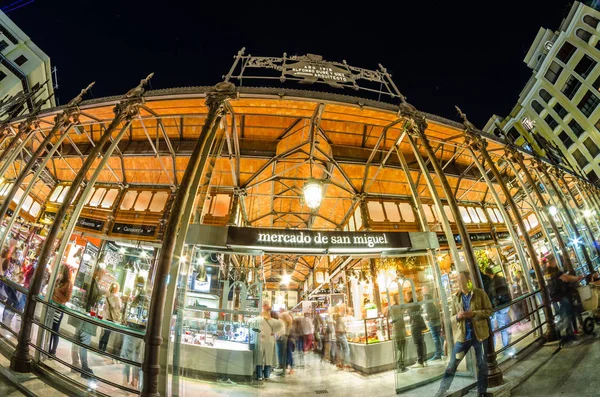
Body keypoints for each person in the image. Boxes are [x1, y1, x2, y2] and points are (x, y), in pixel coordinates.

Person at [435, 271, 492, 397]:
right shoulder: (456, 297)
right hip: (463, 337)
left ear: (468, 280)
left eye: (461, 279)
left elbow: (489, 311)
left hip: (480, 336)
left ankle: (482, 392)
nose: (459, 282)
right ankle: (442, 390)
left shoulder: (480, 293)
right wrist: (458, 316)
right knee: (452, 364)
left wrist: (474, 314)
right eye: (457, 280)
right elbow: (451, 318)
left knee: (482, 365)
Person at [546, 253, 583, 341]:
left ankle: (568, 332)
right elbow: (566, 278)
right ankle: (562, 330)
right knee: (566, 312)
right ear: (552, 261)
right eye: (554, 260)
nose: (556, 261)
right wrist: (577, 278)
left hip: (555, 295)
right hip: (560, 294)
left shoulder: (548, 271)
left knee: (566, 311)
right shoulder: (554, 271)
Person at [253, 301, 282, 381]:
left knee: (260, 357)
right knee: (268, 358)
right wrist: (274, 332)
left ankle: (260, 375)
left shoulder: (261, 315)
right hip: (269, 339)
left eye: (264, 305)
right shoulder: (274, 315)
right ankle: (266, 375)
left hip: (262, 338)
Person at [49, 264, 73, 355]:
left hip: (59, 308)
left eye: (61, 271)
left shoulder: (68, 283)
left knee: (55, 329)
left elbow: (67, 298)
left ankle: (53, 350)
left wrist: (57, 292)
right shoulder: (58, 280)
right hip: (52, 305)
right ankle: (48, 347)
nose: (59, 272)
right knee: (50, 327)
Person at [486, 268, 511, 348]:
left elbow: (493, 296)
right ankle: (506, 346)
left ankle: (493, 349)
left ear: (488, 274)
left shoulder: (492, 282)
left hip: (497, 307)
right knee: (503, 327)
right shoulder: (502, 278)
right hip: (505, 305)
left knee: (492, 329)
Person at [405, 289, 427, 368]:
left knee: (417, 343)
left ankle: (420, 361)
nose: (405, 297)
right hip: (419, 323)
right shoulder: (416, 302)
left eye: (406, 295)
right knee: (420, 342)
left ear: (410, 296)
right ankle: (421, 359)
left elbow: (412, 315)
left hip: (415, 324)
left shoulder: (410, 304)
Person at [99, 282, 122, 352]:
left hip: (106, 316)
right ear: (116, 289)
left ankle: (101, 347)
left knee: (106, 332)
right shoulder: (116, 297)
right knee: (107, 333)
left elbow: (105, 307)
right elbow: (119, 307)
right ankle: (102, 348)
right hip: (112, 317)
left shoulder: (107, 296)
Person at [423, 285, 443, 361]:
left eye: (423, 289)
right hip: (436, 318)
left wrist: (427, 318)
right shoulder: (431, 296)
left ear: (426, 290)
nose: (422, 291)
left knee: (435, 337)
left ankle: (438, 353)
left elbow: (427, 309)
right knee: (439, 336)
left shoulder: (426, 297)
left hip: (432, 319)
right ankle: (442, 351)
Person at [388, 295, 408, 372]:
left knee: (399, 347)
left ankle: (400, 365)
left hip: (396, 329)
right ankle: (401, 365)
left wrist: (391, 322)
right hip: (401, 329)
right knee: (401, 347)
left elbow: (392, 320)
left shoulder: (392, 308)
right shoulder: (399, 307)